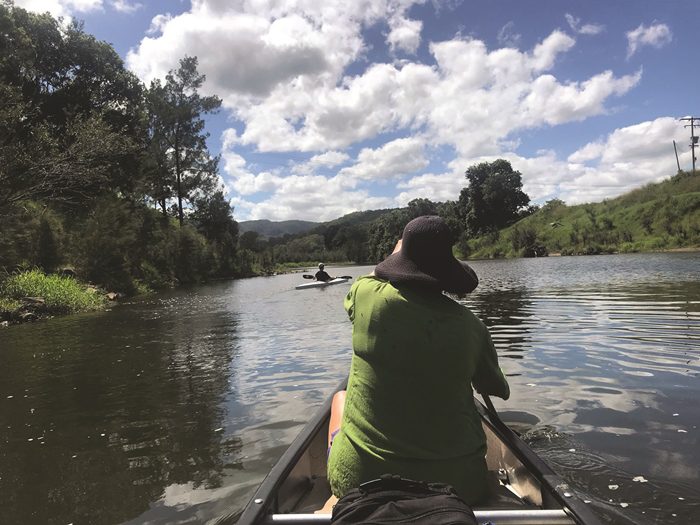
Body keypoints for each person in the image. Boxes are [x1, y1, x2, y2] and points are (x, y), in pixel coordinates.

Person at [327, 215, 510, 505]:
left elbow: (367, 285)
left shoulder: (366, 294)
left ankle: (334, 499)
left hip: (360, 481)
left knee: (340, 398)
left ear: (400, 258)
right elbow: (498, 389)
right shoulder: (473, 327)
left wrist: (400, 253)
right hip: (459, 487)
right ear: (448, 269)